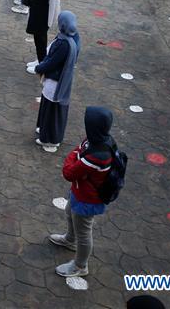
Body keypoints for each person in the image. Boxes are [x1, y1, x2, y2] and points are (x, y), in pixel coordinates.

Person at [49, 106, 115, 278]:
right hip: (79, 191)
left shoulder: (97, 155)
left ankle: (80, 265)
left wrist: (73, 156)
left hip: (88, 199)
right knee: (69, 212)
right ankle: (70, 240)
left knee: (84, 232)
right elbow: (80, 150)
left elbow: (69, 172)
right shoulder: (98, 139)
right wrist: (77, 155)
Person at [33, 11, 79, 153]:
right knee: (49, 107)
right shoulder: (73, 38)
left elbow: (52, 62)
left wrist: (39, 68)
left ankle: (51, 139)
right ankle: (45, 133)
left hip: (55, 83)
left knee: (52, 110)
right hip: (59, 81)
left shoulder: (63, 44)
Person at [19, 0, 61, 66]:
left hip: (40, 17)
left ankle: (42, 65)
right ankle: (40, 60)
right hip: (45, 16)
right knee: (41, 41)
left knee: (40, 42)